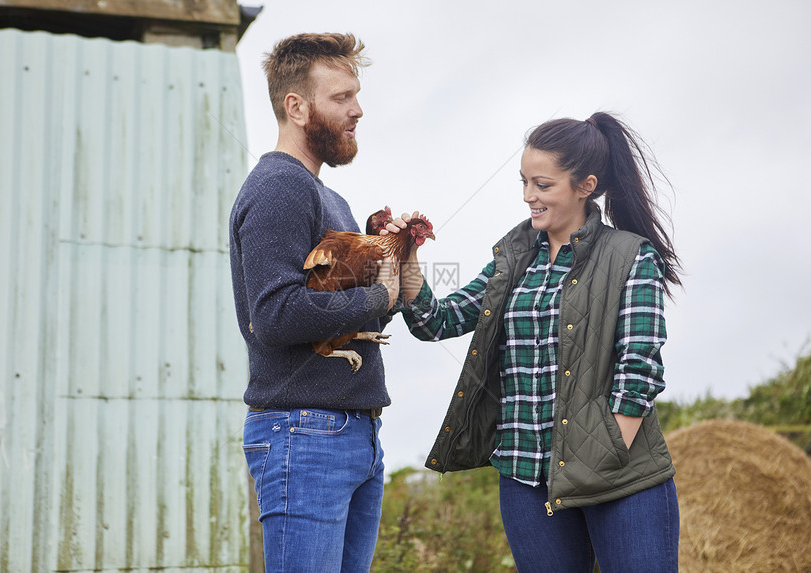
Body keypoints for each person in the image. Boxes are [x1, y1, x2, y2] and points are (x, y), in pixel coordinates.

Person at [385, 112, 682, 572]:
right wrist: (407, 261)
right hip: (526, 479)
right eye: (524, 182)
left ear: (585, 185)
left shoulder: (630, 255)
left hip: (620, 480)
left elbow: (638, 369)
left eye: (542, 185)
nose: (528, 196)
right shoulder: (514, 257)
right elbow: (437, 322)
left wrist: (605, 452)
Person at [229, 33, 399, 572]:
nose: (358, 109)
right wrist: (377, 295)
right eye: (341, 97)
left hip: (352, 434)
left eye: (357, 94)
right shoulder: (280, 186)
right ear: (296, 106)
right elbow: (274, 314)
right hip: (304, 435)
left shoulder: (331, 198)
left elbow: (354, 307)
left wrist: (394, 272)